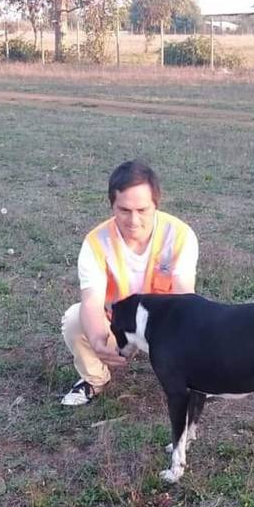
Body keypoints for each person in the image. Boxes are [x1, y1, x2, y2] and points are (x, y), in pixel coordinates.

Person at [60, 160, 198, 406]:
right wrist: (96, 341)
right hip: (118, 325)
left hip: (162, 329)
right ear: (111, 206)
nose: (133, 220)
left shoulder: (180, 235)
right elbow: (91, 302)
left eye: (142, 210)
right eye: (124, 210)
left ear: (156, 204)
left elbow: (185, 300)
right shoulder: (95, 242)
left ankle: (194, 379)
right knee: (74, 318)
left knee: (199, 324)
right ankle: (94, 379)